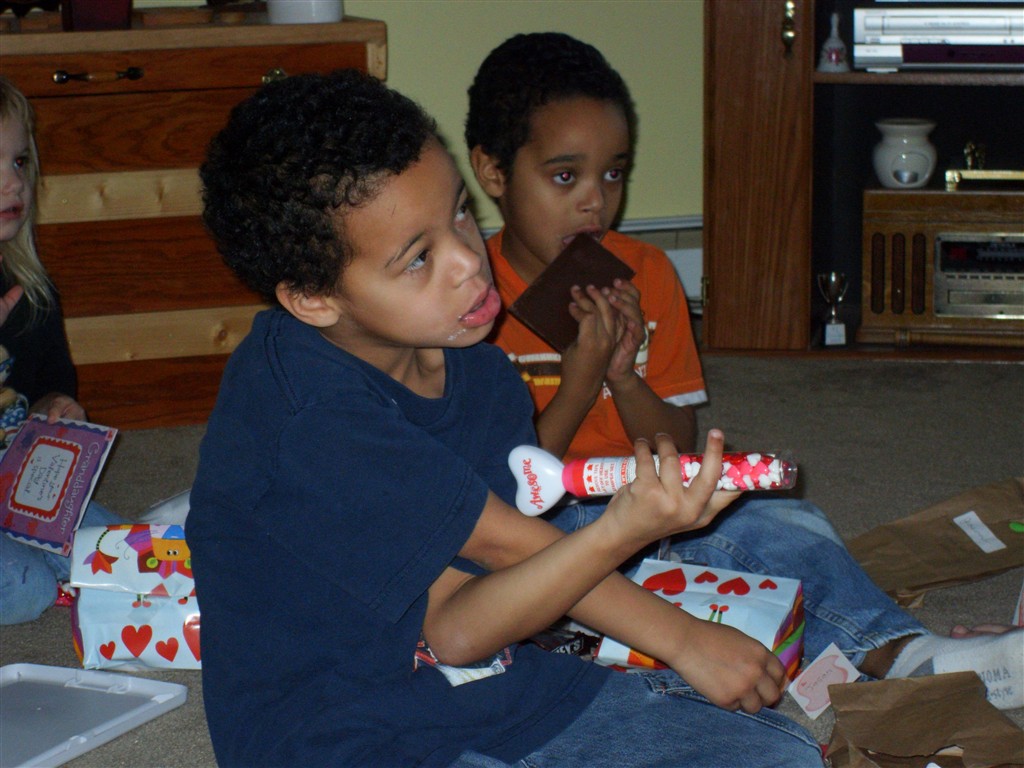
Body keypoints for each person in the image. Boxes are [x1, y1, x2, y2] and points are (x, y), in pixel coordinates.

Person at [190, 68, 833, 768]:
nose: (470, 261)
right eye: (419, 259)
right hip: (339, 735)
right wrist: (679, 630)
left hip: (494, 689)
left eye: (461, 214)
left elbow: (466, 617)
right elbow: (492, 575)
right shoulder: (309, 417)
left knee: (787, 757)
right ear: (314, 300)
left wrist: (632, 530)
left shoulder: (481, 371)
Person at [465, 31, 1022, 711]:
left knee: (778, 522)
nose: (594, 202)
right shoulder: (469, 305)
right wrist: (578, 383)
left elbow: (676, 439)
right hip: (548, 531)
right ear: (493, 172)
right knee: (532, 585)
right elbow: (502, 494)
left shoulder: (646, 274)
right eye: (564, 176)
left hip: (653, 501)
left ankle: (908, 654)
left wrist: (623, 375)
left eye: (613, 174)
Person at [0, 76, 122, 625]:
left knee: (114, 549)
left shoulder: (29, 284)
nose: (13, 183)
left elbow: (53, 381)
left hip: (17, 482)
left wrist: (56, 406)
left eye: (19, 162)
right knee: (26, 589)